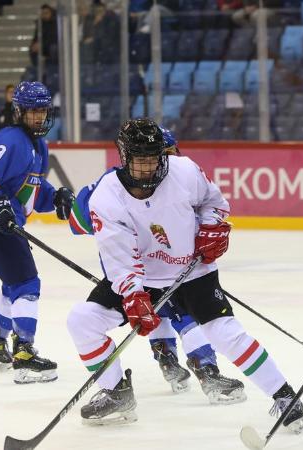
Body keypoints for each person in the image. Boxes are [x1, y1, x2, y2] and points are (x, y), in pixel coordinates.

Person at [65, 118, 303, 430]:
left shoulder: (184, 171)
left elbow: (215, 204)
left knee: (224, 333)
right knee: (82, 321)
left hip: (193, 271)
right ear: (124, 158)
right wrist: (133, 295)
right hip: (145, 278)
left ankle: (285, 396)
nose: (149, 168)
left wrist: (214, 228)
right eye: (140, 161)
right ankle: (116, 393)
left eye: (154, 159)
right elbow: (119, 257)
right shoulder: (106, 197)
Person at [66, 124, 246, 402]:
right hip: (141, 270)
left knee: (164, 311)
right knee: (183, 314)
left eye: (170, 153)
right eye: (164, 153)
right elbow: (79, 221)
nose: (162, 162)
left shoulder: (172, 176)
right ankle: (205, 370)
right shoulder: (112, 186)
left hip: (162, 264)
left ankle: (167, 359)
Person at [0, 81, 75, 384]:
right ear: (19, 111)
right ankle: (24, 354)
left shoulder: (38, 145)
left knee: (13, 283)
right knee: (26, 282)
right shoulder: (10, 140)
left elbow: (29, 188)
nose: (39, 116)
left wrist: (55, 197)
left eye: (43, 110)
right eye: (33, 111)